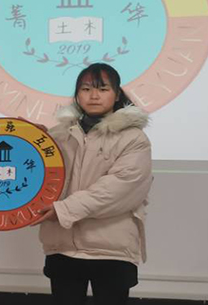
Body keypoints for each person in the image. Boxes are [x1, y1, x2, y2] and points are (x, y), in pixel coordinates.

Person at [34, 63, 153, 305]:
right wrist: (29, 138)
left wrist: (63, 210)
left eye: (103, 89)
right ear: (77, 94)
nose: (94, 95)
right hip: (62, 247)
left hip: (111, 251)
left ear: (117, 94)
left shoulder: (134, 138)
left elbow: (118, 189)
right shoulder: (59, 136)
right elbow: (35, 174)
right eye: (86, 89)